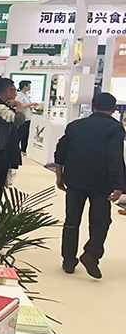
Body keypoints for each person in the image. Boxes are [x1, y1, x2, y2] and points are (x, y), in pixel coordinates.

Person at [55, 92, 125, 279]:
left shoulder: (76, 126)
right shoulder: (115, 128)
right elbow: (115, 157)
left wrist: (59, 174)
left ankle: (68, 261)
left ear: (93, 106)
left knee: (72, 220)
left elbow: (60, 150)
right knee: (101, 220)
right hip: (101, 183)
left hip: (75, 179)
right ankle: (91, 253)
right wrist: (118, 185)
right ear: (113, 109)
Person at [16, 80, 40, 153]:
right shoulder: (19, 95)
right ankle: (16, 149)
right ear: (24, 86)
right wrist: (30, 104)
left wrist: (32, 107)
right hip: (23, 117)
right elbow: (20, 105)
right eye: (29, 86)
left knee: (26, 135)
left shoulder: (26, 95)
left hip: (29, 117)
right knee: (21, 134)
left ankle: (23, 150)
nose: (30, 87)